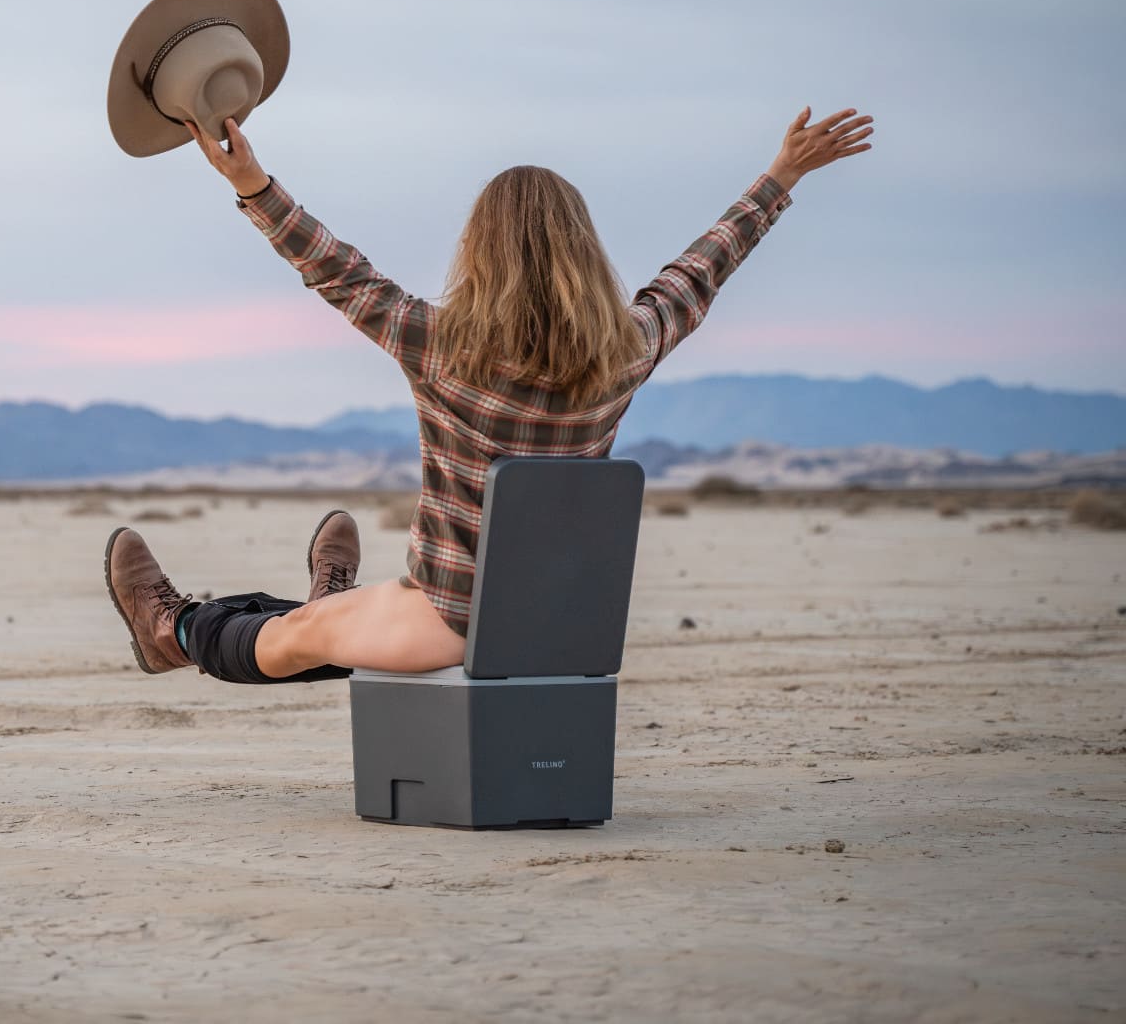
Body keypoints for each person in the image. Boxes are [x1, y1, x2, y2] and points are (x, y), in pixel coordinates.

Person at [103, 106, 874, 685]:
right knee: (337, 615)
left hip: (448, 621)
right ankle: (332, 599)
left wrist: (250, 183)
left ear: (478, 251)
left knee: (299, 634)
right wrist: (781, 178)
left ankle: (169, 630)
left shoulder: (442, 347)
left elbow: (337, 269)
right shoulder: (627, 350)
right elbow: (698, 271)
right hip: (557, 623)